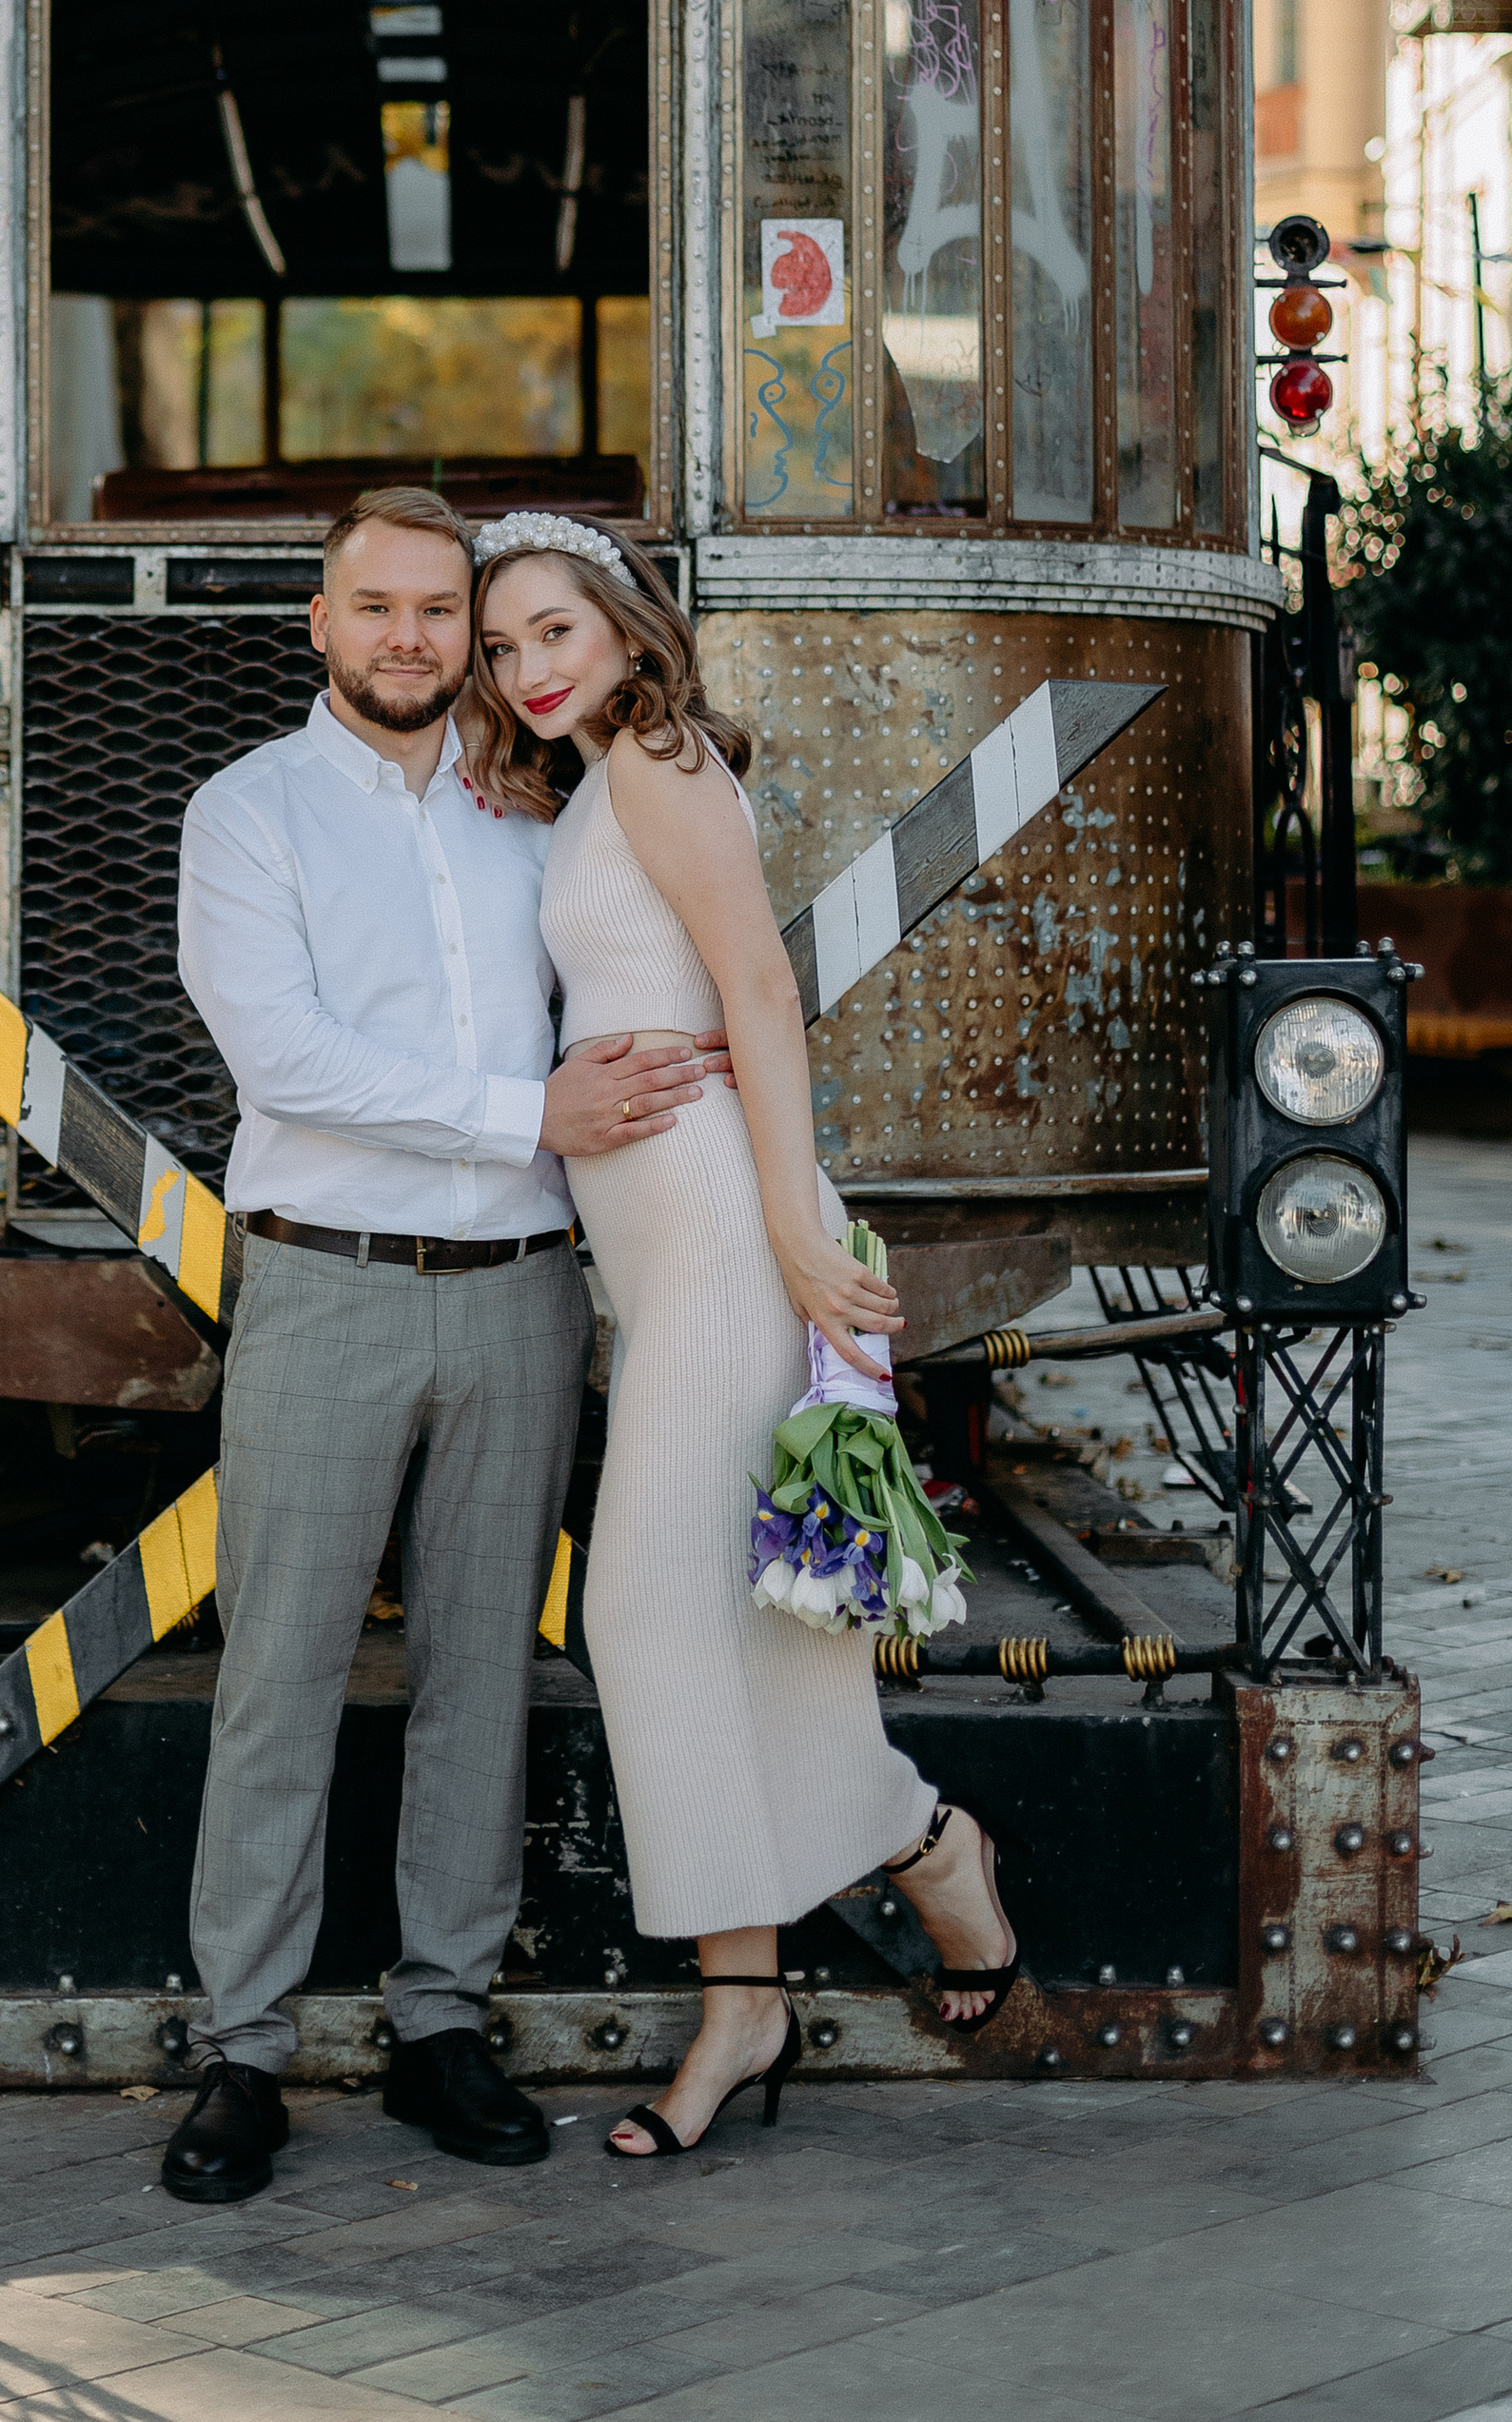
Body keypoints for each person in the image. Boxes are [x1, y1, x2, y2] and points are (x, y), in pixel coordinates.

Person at [163, 482, 717, 2207]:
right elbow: (286, 1058)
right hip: (325, 1285)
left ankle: (442, 2024)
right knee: (281, 1673)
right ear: (320, 625)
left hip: (522, 1291)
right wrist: (530, 1112)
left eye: (437, 613)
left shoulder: (534, 807)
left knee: (484, 1672)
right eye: (377, 607)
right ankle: (243, 2051)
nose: (409, 638)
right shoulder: (247, 812)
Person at [466, 512, 1023, 2158]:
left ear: (627, 628)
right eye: (503, 648)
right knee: (731, 1606)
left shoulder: (659, 758)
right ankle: (778, 1973)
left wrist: (789, 1223)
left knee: (643, 1607)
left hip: (721, 1226)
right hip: (659, 1248)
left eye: (554, 632)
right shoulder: (593, 782)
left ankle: (904, 1856)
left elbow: (759, 993)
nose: (527, 667)